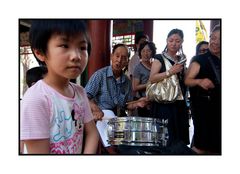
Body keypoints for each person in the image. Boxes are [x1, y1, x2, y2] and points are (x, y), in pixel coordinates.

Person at [20, 19, 99, 154]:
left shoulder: (80, 92)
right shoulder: (36, 99)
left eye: (82, 47)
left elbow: (92, 133)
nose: (76, 56)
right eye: (64, 45)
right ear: (40, 52)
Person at [85, 43, 149, 120]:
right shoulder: (100, 75)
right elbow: (85, 97)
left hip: (118, 120)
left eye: (123, 58)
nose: (119, 60)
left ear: (127, 61)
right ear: (112, 56)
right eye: (117, 56)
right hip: (101, 119)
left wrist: (137, 103)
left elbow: (127, 105)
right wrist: (95, 108)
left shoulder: (127, 81)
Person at [149, 28, 189, 146]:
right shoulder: (159, 58)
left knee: (178, 137)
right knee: (166, 137)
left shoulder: (181, 59)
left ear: (181, 42)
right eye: (171, 40)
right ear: (166, 41)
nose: (174, 43)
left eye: (177, 41)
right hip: (164, 104)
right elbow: (152, 78)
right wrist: (170, 71)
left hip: (178, 103)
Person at [184, 25, 221, 154]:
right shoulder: (200, 59)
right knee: (202, 147)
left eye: (220, 39)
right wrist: (199, 81)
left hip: (218, 111)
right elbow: (187, 80)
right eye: (213, 38)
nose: (215, 42)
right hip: (204, 111)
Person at [132, 41, 156, 117]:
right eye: (143, 51)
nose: (146, 53)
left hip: (155, 100)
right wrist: (150, 83)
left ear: (152, 52)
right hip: (144, 102)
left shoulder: (155, 65)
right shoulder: (138, 68)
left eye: (148, 51)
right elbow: (135, 87)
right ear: (140, 53)